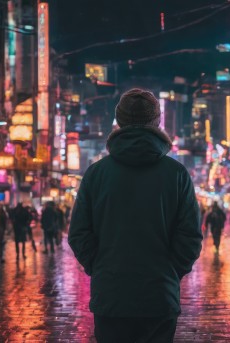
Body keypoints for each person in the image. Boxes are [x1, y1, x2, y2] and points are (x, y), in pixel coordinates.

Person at [68, 88, 202, 342]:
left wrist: (100, 267)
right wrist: (170, 271)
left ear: (119, 122)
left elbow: (78, 234)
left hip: (111, 297)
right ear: (156, 122)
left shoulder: (96, 174)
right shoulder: (176, 174)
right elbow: (190, 237)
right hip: (159, 297)